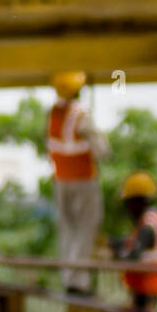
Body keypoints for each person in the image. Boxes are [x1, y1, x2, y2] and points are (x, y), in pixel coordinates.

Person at [47, 71, 108, 294]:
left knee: (68, 230)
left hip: (61, 180)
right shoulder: (81, 114)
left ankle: (69, 278)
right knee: (85, 228)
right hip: (83, 180)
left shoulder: (53, 114)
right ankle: (79, 281)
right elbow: (102, 150)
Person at [111, 172, 157, 312]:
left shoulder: (149, 224)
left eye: (129, 202)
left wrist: (113, 256)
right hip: (147, 285)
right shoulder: (148, 221)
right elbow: (130, 241)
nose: (127, 208)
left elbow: (133, 254)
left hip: (149, 286)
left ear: (138, 201)